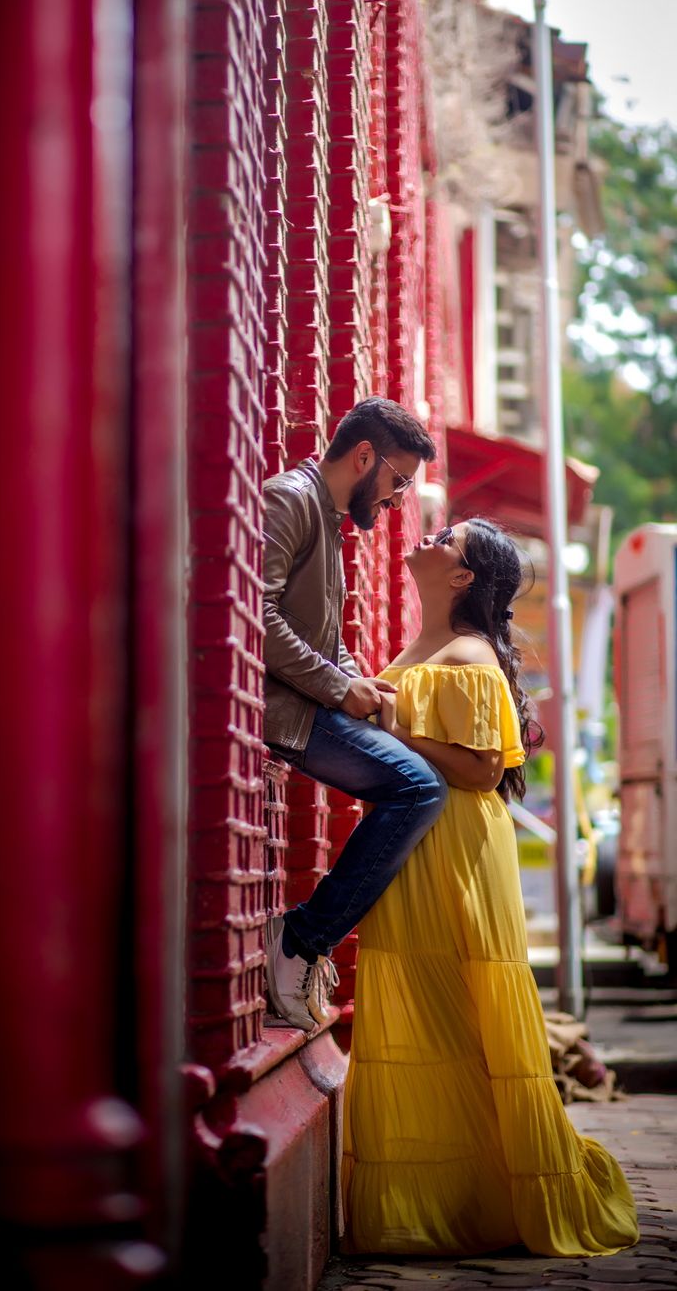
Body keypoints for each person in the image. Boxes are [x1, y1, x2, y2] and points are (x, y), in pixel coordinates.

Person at [341, 518, 638, 1256]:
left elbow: (479, 769)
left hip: (455, 845)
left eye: (446, 537)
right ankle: (448, 1195)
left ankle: (482, 1195)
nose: (429, 535)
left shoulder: (469, 657)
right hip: (418, 839)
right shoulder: (425, 647)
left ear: (464, 576)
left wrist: (393, 729)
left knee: (463, 1009)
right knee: (432, 1013)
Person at [263, 398, 447, 1031]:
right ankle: (301, 941)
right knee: (420, 788)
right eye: (399, 480)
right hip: (284, 708)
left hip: (308, 701)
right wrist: (339, 691)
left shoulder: (327, 513)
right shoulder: (290, 499)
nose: (398, 499)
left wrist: (355, 681)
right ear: (365, 456)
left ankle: (306, 941)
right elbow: (254, 617)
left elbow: (321, 631)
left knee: (417, 776)